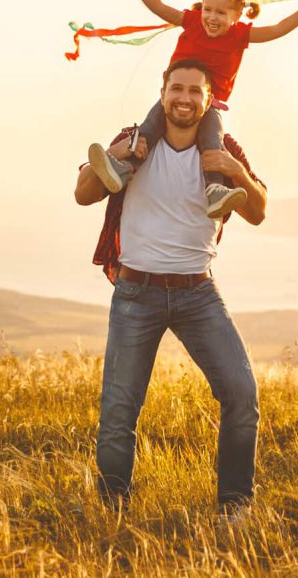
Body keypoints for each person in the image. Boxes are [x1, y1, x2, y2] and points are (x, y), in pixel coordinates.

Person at [75, 58, 268, 516]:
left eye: (194, 91)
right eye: (176, 89)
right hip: (135, 293)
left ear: (208, 99)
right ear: (162, 92)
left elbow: (258, 211)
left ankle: (235, 507)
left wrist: (236, 173)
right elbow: (83, 192)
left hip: (197, 293)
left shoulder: (223, 147)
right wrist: (120, 152)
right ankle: (112, 508)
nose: (184, 98)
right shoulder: (137, 140)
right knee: (119, 409)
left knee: (241, 395)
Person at [86, 0, 298, 220]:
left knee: (212, 144)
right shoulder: (192, 22)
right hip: (172, 101)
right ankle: (124, 169)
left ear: (237, 15)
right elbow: (159, 7)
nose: (211, 17)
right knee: (147, 132)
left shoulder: (239, 35)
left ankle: (215, 190)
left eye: (221, 12)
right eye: (208, 9)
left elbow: (277, 29)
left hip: (210, 106)